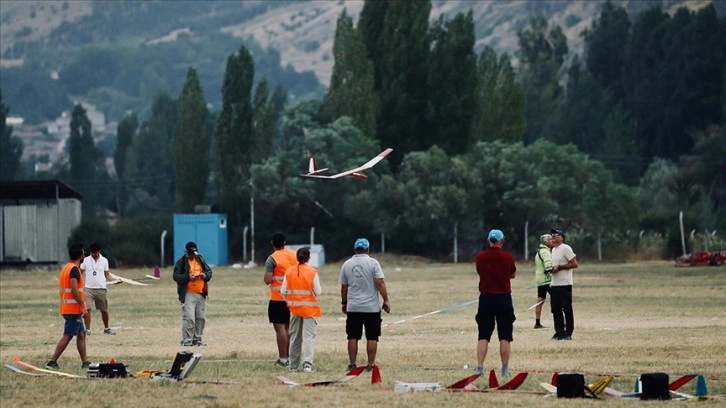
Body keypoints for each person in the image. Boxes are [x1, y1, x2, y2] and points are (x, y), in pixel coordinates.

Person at [339, 238, 390, 372]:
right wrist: (386, 300)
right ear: (367, 249)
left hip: (353, 307)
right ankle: (370, 365)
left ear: (355, 249)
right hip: (371, 308)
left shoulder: (347, 264)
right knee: (372, 337)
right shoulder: (373, 263)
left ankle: (352, 364)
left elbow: (344, 287)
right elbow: (380, 283)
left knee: (352, 336)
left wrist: (344, 303)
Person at [474, 229, 516, 377]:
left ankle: (479, 368)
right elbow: (512, 274)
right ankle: (505, 369)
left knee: (483, 335)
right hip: (504, 298)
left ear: (488, 241)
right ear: (502, 241)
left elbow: (480, 272)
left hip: (486, 299)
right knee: (505, 335)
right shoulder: (508, 257)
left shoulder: (480, 257)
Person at [46, 244, 91, 370]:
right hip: (72, 309)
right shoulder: (74, 270)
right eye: (83, 254)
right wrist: (83, 306)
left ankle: (85, 362)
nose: (84, 256)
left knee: (81, 334)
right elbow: (74, 289)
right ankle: (52, 361)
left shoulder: (67, 267)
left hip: (70, 308)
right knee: (68, 335)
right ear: (80, 256)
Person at [281, 247, 321, 373]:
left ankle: (293, 366)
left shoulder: (289, 271)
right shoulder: (312, 272)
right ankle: (307, 365)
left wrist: (289, 302)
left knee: (294, 338)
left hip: (295, 309)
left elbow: (283, 291)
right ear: (309, 258)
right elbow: (318, 291)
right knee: (308, 337)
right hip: (309, 310)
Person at [263, 232, 298, 367]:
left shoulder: (272, 258)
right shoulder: (294, 255)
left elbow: (267, 280)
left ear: (272, 243)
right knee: (289, 328)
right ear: (285, 242)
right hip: (293, 297)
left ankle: (283, 358)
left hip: (277, 298)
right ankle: (289, 357)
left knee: (280, 329)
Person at [173, 241, 213, 347]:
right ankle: (187, 340)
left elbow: (209, 272)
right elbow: (176, 277)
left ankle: (197, 339)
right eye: (190, 252)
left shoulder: (200, 259)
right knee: (189, 317)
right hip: (188, 293)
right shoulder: (181, 262)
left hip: (201, 293)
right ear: (186, 251)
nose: (192, 254)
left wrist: (204, 275)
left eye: (193, 252)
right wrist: (188, 277)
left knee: (201, 317)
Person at [80, 243, 115, 335]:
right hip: (88, 289)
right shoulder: (86, 260)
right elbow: (80, 272)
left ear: (99, 251)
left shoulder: (104, 261)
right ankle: (87, 330)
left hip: (101, 288)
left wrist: (114, 280)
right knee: (87, 309)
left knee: (104, 310)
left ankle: (107, 328)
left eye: (95, 253)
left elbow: (106, 274)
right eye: (92, 253)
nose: (94, 255)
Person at [549, 228, 578, 340]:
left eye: (555, 235)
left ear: (562, 237)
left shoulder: (565, 248)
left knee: (566, 308)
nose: (553, 238)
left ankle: (568, 332)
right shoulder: (553, 250)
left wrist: (560, 267)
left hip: (564, 283)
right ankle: (559, 332)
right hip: (554, 284)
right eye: (552, 236)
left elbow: (574, 263)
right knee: (555, 309)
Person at [533, 234, 553, 329]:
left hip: (540, 279)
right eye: (549, 239)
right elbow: (548, 266)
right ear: (545, 242)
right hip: (547, 280)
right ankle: (560, 320)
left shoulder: (540, 251)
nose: (551, 240)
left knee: (540, 300)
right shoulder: (545, 252)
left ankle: (537, 322)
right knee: (556, 299)